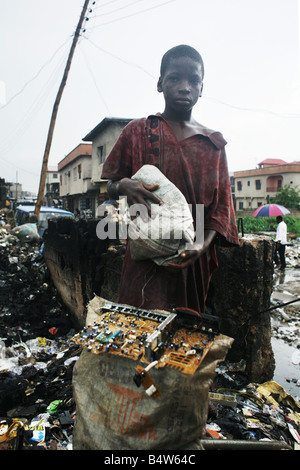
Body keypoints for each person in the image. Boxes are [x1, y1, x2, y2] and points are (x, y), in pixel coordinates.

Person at [101, 44, 239, 313]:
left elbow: (220, 212)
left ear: (202, 87)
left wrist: (200, 245)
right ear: (160, 84)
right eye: (175, 78)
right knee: (140, 328)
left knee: (184, 334)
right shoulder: (137, 131)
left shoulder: (213, 144)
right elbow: (109, 186)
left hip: (191, 256)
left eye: (194, 80)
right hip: (145, 253)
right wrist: (124, 185)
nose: (185, 86)